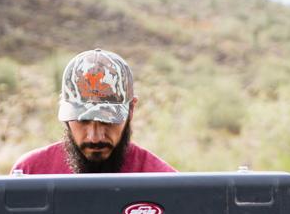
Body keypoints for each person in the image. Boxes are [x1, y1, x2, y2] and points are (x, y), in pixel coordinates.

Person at [11, 49, 175, 174]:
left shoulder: (163, 180)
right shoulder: (30, 172)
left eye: (108, 120)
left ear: (131, 109)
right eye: (82, 120)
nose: (95, 137)